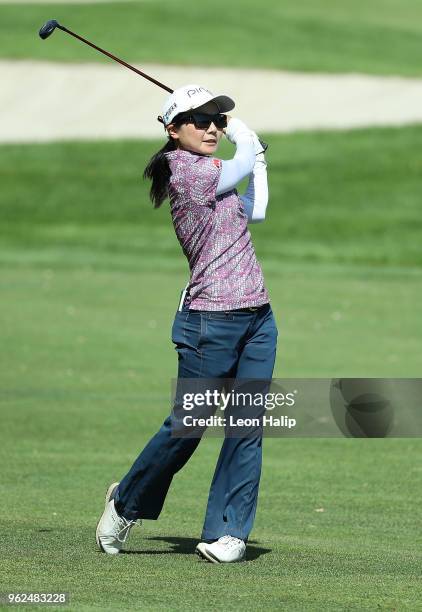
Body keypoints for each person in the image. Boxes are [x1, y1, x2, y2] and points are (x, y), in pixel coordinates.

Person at [96, 84, 278, 563]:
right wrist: (247, 138)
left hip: (258, 317)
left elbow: (256, 208)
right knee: (188, 427)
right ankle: (125, 501)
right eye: (200, 120)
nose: (212, 127)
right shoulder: (185, 172)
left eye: (217, 120)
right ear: (173, 131)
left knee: (247, 426)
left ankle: (229, 532)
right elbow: (240, 163)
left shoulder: (217, 177)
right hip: (208, 325)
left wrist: (256, 158)